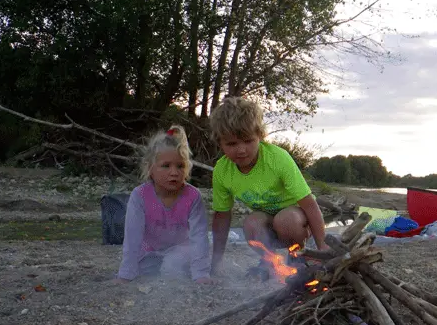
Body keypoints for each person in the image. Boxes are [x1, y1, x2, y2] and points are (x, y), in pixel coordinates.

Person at [208, 96, 326, 277]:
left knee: (286, 220)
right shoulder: (222, 171)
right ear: (220, 143)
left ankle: (297, 256)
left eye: (248, 141)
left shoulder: (277, 158)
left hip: (296, 219)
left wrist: (322, 246)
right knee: (251, 223)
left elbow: (309, 204)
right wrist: (216, 261)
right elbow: (222, 217)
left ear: (260, 136)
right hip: (267, 221)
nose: (241, 150)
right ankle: (269, 262)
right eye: (232, 144)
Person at [115, 125, 212, 283]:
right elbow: (133, 238)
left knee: (172, 268)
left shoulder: (193, 196)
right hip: (150, 250)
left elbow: (199, 237)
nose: (174, 172)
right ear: (150, 169)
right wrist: (125, 275)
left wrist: (201, 274)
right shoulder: (139, 196)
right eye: (166, 166)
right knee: (143, 271)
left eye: (180, 166)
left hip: (182, 248)